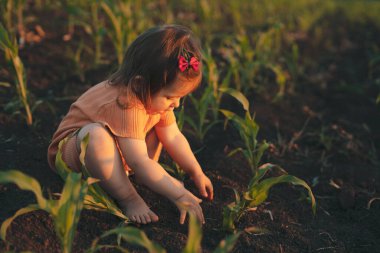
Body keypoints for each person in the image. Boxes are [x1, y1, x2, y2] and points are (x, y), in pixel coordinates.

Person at [47, 25, 214, 225]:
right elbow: (139, 161)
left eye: (180, 97)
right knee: (96, 136)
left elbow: (174, 137)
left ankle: (139, 177)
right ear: (139, 84)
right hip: (74, 156)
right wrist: (178, 194)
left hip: (118, 152)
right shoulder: (126, 103)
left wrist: (196, 171)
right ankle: (128, 198)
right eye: (170, 96)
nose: (176, 104)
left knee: (160, 128)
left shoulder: (153, 96)